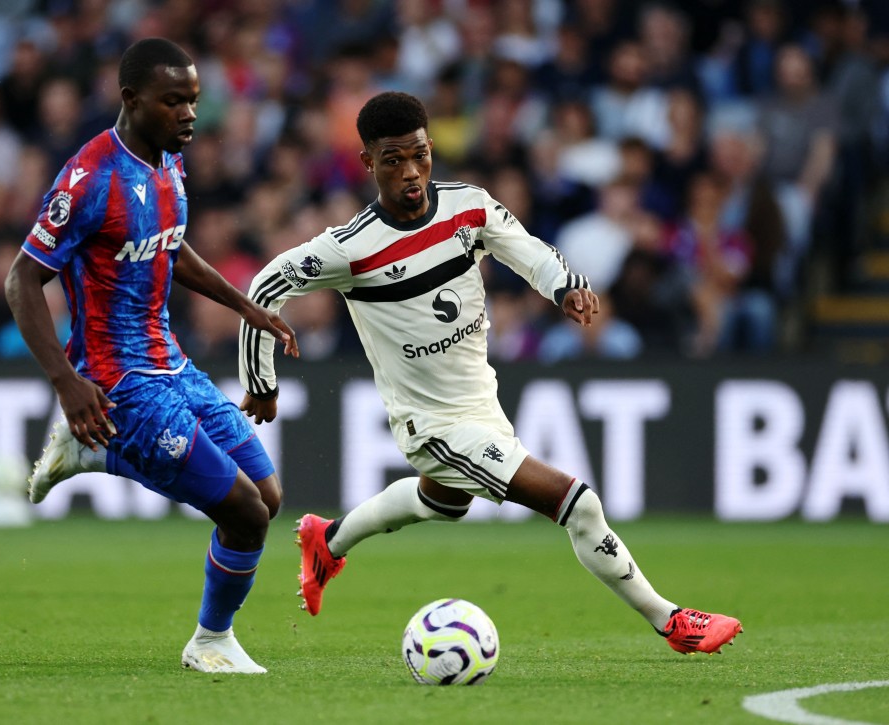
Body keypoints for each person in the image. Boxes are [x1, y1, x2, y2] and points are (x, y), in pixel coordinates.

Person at [238, 91, 742, 655]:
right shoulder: (350, 249)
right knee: (579, 503)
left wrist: (565, 284)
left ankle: (327, 540)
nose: (411, 172)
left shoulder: (468, 208)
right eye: (393, 160)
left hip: (482, 403)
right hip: (430, 424)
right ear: (368, 163)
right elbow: (263, 288)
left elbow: (523, 247)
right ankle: (670, 621)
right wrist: (260, 380)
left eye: (420, 155)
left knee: (444, 502)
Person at [4, 38, 299, 675]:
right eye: (174, 102)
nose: (191, 114)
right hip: (118, 379)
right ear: (131, 101)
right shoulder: (89, 178)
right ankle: (210, 642)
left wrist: (246, 306)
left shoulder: (168, 161)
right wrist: (66, 381)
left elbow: (169, 246)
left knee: (267, 497)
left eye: (193, 100)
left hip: (170, 360)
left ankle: (100, 454)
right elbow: (21, 280)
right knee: (243, 511)